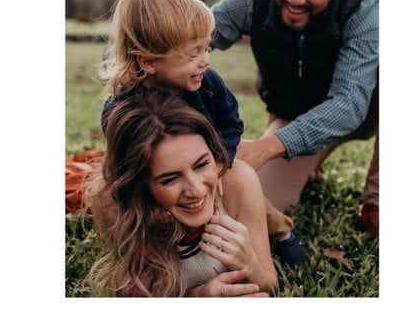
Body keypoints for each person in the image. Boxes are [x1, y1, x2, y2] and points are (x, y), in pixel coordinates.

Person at [210, 0, 380, 239]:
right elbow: (197, 34)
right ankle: (308, 159)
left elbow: (349, 105)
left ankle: (376, 204)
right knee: (250, 202)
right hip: (293, 114)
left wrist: (266, 148)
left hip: (366, 111)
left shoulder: (365, 9)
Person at [98, 0, 306, 265]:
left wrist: (220, 163)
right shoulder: (121, 108)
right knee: (107, 194)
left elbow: (231, 123)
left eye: (206, 48)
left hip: (207, 165)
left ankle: (282, 232)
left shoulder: (207, 83)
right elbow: (121, 162)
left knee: (239, 181)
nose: (205, 60)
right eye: (193, 53)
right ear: (148, 61)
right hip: (158, 180)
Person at [85, 90, 277, 297]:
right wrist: (198, 295)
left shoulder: (239, 181)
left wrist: (250, 264)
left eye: (202, 164)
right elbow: (139, 293)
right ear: (139, 185)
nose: (197, 190)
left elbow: (270, 284)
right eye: (170, 179)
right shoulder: (114, 201)